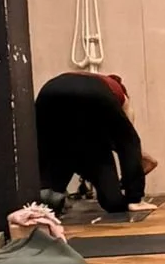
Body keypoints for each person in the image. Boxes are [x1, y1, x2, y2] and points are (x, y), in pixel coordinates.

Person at [34, 70, 150, 217]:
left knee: (50, 154)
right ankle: (134, 201)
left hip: (49, 93)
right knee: (114, 203)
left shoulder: (89, 80)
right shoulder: (119, 92)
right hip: (93, 96)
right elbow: (127, 140)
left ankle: (45, 193)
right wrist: (135, 194)